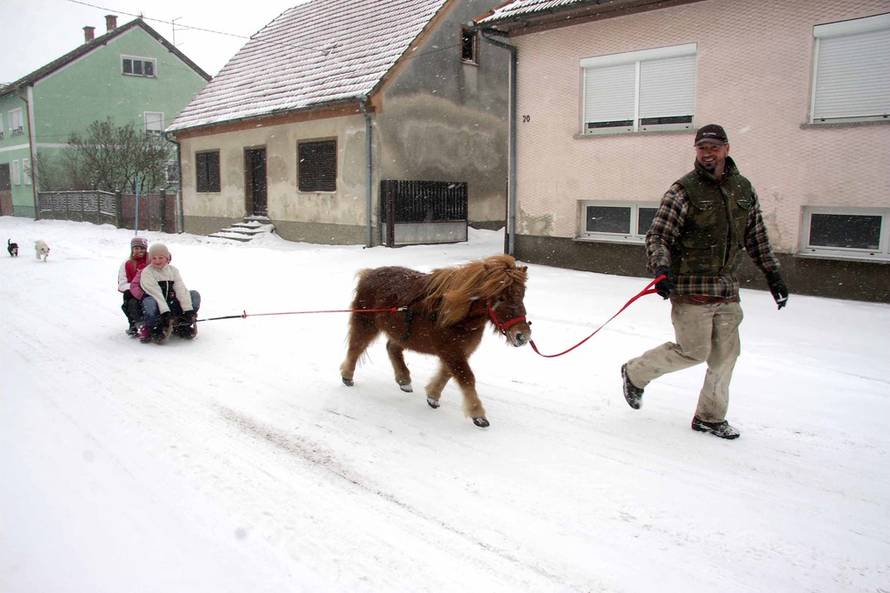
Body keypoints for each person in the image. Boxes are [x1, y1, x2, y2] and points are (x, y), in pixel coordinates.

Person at [620, 124, 788, 440]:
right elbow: (659, 235)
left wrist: (774, 275)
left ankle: (710, 417)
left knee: (726, 357)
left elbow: (756, 236)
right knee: (693, 352)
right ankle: (635, 372)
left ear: (726, 149)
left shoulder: (743, 189)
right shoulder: (683, 190)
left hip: (726, 288)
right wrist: (661, 269)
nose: (708, 153)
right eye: (702, 148)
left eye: (714, 147)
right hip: (691, 288)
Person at [138, 243, 201, 344]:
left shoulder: (173, 271)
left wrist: (188, 310)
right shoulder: (147, 272)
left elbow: (180, 289)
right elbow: (156, 293)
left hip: (172, 304)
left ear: (167, 258)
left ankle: (183, 324)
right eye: (154, 258)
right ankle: (155, 327)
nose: (157, 261)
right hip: (157, 306)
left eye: (160, 257)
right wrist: (165, 312)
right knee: (149, 301)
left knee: (194, 294)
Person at [117, 236, 149, 336]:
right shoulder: (127, 264)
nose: (139, 251)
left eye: (142, 248)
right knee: (130, 301)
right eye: (136, 248)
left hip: (150, 288)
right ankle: (134, 323)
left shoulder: (151, 261)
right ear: (132, 249)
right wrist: (135, 287)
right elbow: (122, 284)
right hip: (133, 291)